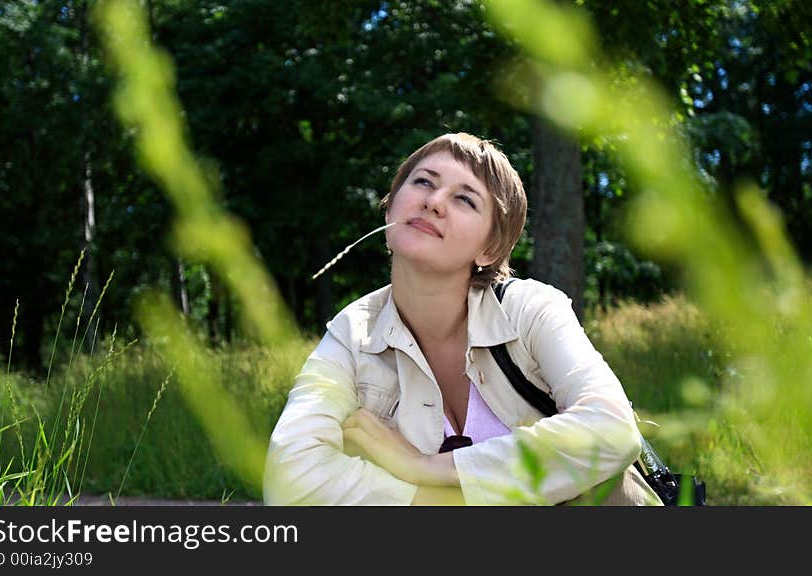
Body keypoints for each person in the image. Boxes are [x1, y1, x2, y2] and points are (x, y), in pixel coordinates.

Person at [263, 132, 658, 505]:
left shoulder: (531, 309)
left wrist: (426, 467)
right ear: (391, 206)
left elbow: (613, 430)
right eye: (422, 182)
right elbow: (289, 472)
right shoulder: (354, 333)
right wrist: (434, 502)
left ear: (490, 248)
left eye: (465, 200)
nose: (434, 202)